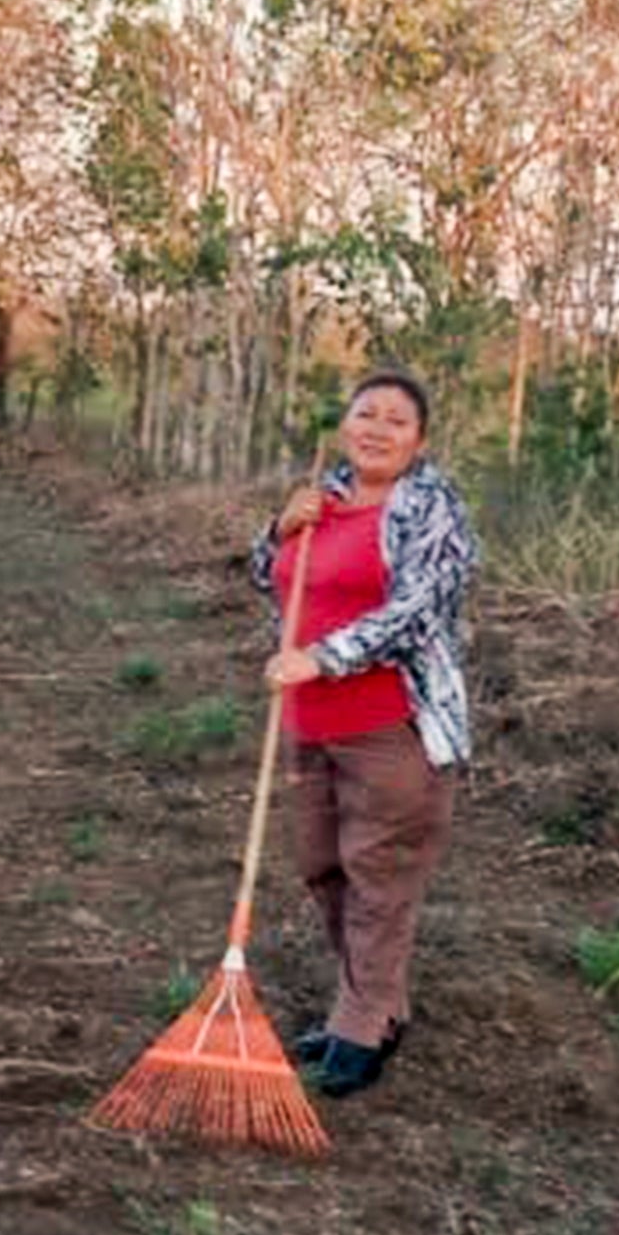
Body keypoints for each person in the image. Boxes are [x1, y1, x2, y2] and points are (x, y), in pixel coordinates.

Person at [249, 369, 479, 1098]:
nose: (377, 428)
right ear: (345, 423)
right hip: (311, 722)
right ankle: (382, 1004)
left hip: (390, 728)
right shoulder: (327, 495)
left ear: (421, 440)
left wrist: (322, 656)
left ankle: (359, 1023)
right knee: (323, 867)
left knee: (379, 879)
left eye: (397, 421)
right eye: (365, 413)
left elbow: (418, 611)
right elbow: (273, 579)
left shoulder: (430, 507)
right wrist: (278, 530)